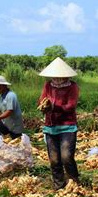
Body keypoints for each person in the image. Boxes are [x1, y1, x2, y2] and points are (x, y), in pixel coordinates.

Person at [38, 57, 80, 189]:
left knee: (66, 157)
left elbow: (70, 106)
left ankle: (74, 181)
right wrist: (43, 106)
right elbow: (42, 101)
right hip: (51, 127)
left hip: (67, 126)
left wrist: (54, 107)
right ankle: (59, 184)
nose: (56, 79)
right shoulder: (48, 86)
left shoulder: (72, 87)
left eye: (59, 77)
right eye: (54, 77)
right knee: (54, 159)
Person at [0, 75, 24, 139]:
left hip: (14, 126)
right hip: (6, 124)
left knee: (15, 144)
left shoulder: (11, 96)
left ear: (3, 86)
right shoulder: (2, 97)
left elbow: (9, 111)